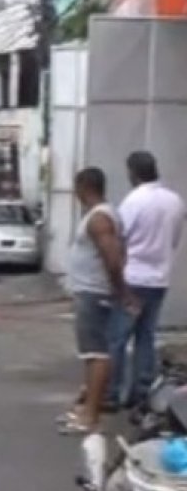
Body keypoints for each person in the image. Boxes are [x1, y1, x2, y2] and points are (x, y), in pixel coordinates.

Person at [108, 152, 185, 408]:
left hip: (132, 279)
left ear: (133, 172)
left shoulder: (133, 201)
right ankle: (142, 391)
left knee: (118, 338)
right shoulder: (175, 201)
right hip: (159, 279)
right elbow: (174, 240)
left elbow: (119, 241)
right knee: (146, 337)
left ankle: (113, 392)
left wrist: (116, 279)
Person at [59, 167, 131, 434]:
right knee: (91, 354)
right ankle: (87, 408)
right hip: (89, 292)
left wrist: (121, 291)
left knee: (97, 354)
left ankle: (90, 415)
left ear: (83, 187)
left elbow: (113, 258)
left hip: (94, 293)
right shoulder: (100, 215)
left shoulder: (99, 218)